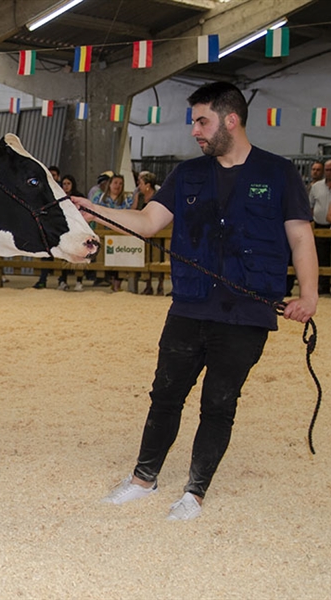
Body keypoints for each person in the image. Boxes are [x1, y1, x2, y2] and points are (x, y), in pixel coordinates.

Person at [74, 81, 317, 521]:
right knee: (164, 395)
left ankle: (195, 492)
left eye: (201, 121)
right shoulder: (186, 174)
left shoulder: (279, 173)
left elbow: (300, 236)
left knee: (218, 404)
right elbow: (148, 221)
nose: (195, 132)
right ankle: (142, 481)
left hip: (247, 314)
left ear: (231, 119)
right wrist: (94, 212)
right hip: (188, 306)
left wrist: (310, 295)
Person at [94, 173, 135, 291]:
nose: (118, 186)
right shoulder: (100, 198)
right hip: (103, 233)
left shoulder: (127, 200)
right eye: (115, 183)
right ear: (110, 184)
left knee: (119, 258)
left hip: (120, 233)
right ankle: (110, 281)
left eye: (121, 184)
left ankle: (117, 284)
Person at [32, 166, 64, 289]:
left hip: (61, 226)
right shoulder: (42, 190)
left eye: (55, 175)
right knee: (46, 253)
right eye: (51, 175)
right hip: (47, 225)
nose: (53, 177)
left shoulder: (61, 191)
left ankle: (63, 280)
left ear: (58, 177)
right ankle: (43, 279)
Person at [136, 171, 165, 295]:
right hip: (143, 230)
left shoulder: (159, 195)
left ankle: (160, 284)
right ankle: (148, 285)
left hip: (160, 229)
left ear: (148, 184)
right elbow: (134, 210)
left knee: (159, 257)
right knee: (145, 257)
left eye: (141, 183)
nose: (139, 186)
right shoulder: (140, 196)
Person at [57, 175, 85, 291]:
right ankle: (62, 280)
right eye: (64, 184)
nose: (66, 186)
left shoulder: (79, 197)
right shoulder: (58, 196)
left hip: (77, 229)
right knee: (65, 256)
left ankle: (79, 281)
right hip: (64, 229)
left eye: (68, 184)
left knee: (79, 255)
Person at [308, 159, 331, 295]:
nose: (329, 172)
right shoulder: (316, 187)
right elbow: (310, 207)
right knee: (321, 257)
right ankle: (322, 286)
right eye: (328, 170)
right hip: (319, 225)